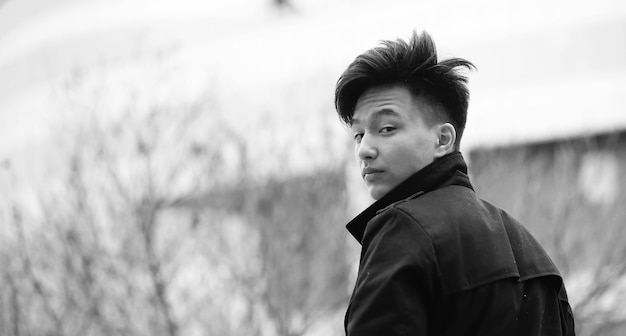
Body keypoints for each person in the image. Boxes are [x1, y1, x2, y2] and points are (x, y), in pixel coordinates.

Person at [334, 31, 575, 335]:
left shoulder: (403, 227)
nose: (364, 149)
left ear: (443, 139)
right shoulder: (534, 253)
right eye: (359, 134)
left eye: (386, 128)